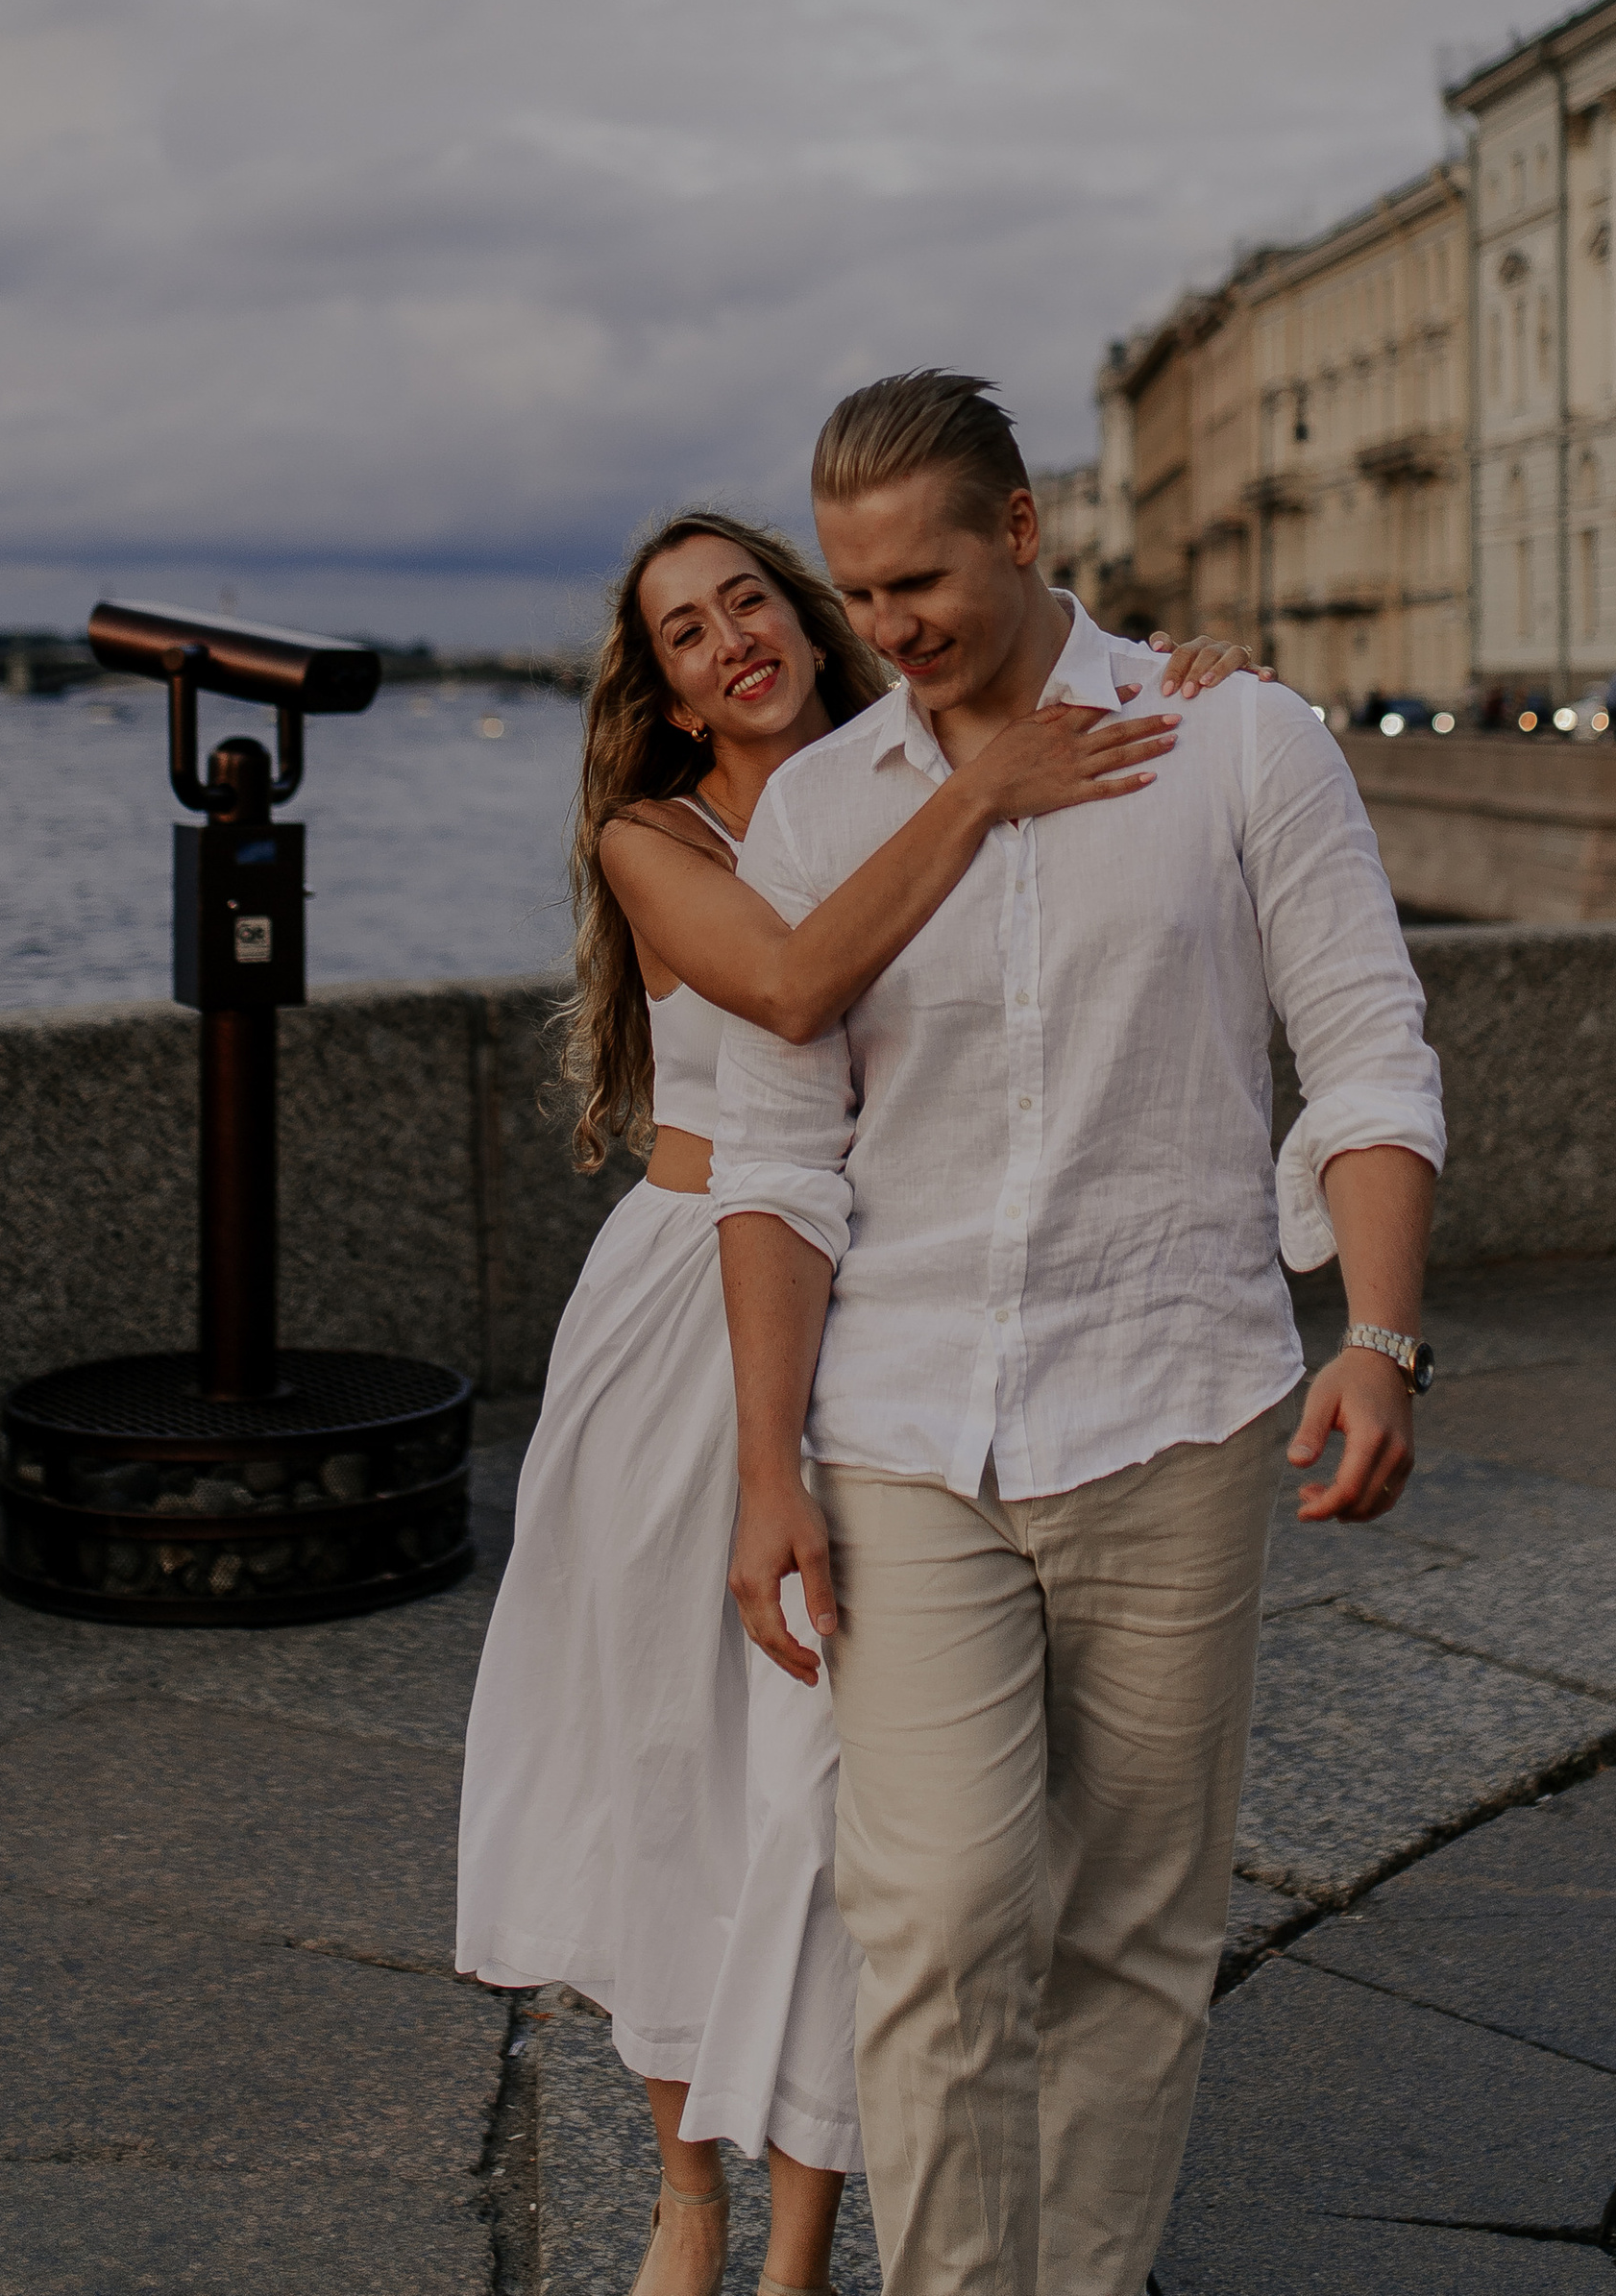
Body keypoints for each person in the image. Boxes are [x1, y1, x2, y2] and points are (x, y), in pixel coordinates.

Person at [456, 504, 1266, 2296]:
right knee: (670, 1760)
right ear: (661, 693)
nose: (728, 637)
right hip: (690, 1312)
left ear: (816, 618)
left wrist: (1187, 694)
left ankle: (809, 2239)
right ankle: (689, 2196)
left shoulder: (930, 759)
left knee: (847, 1806)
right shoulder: (654, 837)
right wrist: (984, 797)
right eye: (682, 632)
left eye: (749, 596)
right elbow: (799, 985)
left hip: (894, 1305)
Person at [713, 376, 1446, 2296]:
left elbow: (1362, 1052)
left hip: (1176, 1402)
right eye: (857, 596)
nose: (888, 630)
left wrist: (1376, 1333)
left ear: (1021, 531)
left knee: (1130, 1929)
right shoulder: (815, 809)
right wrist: (758, 1468)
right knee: (939, 1913)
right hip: (901, 1428)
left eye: (921, 579)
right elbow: (776, 1167)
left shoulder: (1238, 742)